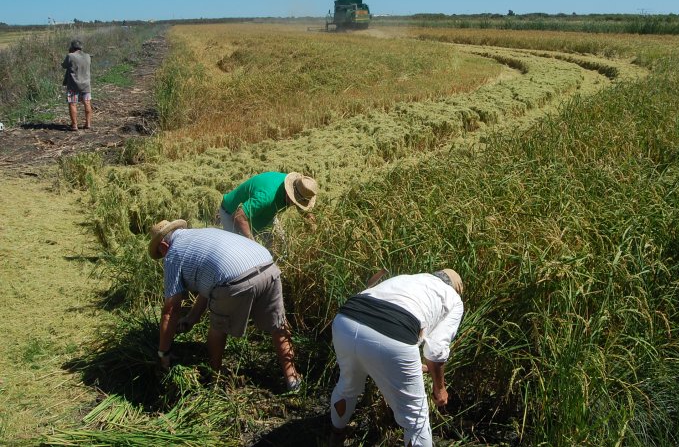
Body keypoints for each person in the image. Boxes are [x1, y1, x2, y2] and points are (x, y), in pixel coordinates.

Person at [148, 219, 301, 391]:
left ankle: (215, 377)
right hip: (267, 264)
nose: (163, 258)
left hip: (235, 280)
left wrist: (163, 352)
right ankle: (292, 379)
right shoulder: (201, 234)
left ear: (163, 246)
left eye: (160, 254)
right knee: (279, 325)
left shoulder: (172, 254)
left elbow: (171, 310)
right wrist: (192, 318)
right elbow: (209, 282)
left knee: (217, 329)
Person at [329, 269, 464, 447]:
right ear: (456, 289)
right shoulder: (454, 300)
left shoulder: (408, 278)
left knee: (347, 385)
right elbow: (436, 350)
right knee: (416, 418)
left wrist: (411, 363)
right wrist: (440, 389)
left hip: (345, 321)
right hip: (392, 336)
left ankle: (335, 436)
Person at [219, 171, 319, 248]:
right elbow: (239, 216)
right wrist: (252, 244)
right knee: (243, 254)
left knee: (282, 246)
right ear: (290, 193)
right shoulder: (267, 196)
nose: (296, 205)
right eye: (295, 201)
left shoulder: (298, 186)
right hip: (232, 213)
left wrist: (313, 227)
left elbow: (303, 207)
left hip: (264, 213)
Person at [61, 39, 92, 131]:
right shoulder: (87, 56)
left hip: (73, 85)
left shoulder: (70, 56)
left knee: (72, 104)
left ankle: (74, 125)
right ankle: (88, 123)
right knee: (87, 103)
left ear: (72, 47)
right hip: (86, 84)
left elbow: (64, 65)